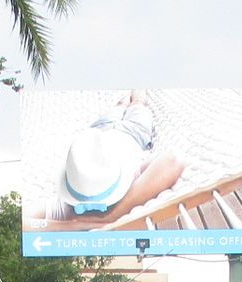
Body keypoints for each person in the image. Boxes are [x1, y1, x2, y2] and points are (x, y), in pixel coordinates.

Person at [27, 91, 183, 232]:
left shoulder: (66, 209)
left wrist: (109, 216)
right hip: (133, 131)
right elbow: (172, 160)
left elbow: (173, 160)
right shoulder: (129, 185)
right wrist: (76, 225)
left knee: (133, 102)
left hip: (99, 133)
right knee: (135, 103)